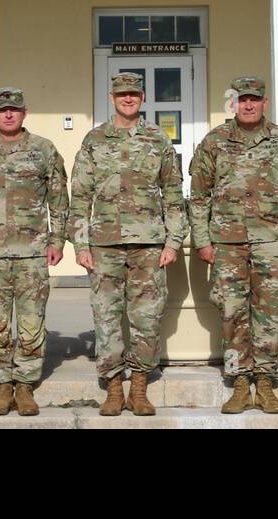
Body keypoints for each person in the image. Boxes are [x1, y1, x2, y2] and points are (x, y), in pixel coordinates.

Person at [189, 75, 278, 414]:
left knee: (269, 314)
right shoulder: (214, 141)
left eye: (254, 99)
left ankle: (267, 382)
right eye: (242, 99)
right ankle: (240, 382)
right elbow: (198, 197)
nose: (248, 104)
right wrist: (202, 240)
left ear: (264, 103)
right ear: (234, 102)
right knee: (231, 313)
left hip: (272, 242)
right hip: (227, 244)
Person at [69, 72, 185, 417]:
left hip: (149, 244)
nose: (128, 98)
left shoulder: (157, 139)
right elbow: (80, 196)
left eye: (134, 93)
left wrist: (173, 241)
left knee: (146, 318)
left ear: (143, 97)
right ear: (112, 97)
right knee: (106, 317)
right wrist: (80, 244)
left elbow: (175, 195)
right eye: (122, 94)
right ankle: (113, 388)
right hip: (104, 244)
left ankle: (139, 387)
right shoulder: (94, 139)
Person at [0, 87, 68, 416]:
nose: (9, 114)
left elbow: (59, 199)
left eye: (15, 109)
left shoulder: (43, 150)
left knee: (32, 322)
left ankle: (25, 385)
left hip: (33, 252)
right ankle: (2, 385)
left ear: (25, 113)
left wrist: (57, 240)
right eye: (3, 109)